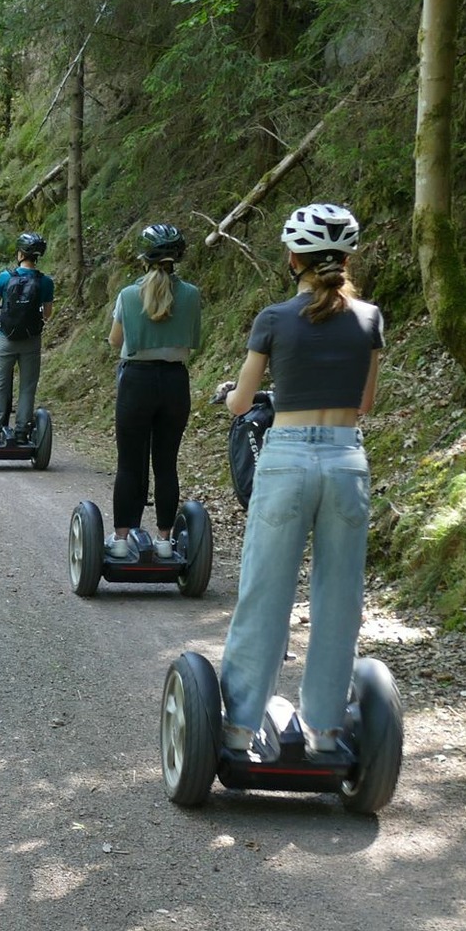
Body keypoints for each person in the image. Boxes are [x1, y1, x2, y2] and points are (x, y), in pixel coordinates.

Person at [217, 203, 384, 756]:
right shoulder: (369, 319)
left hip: (287, 460)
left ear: (294, 258)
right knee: (339, 599)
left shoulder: (273, 319)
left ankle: (239, 728)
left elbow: (243, 402)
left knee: (265, 591)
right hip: (345, 463)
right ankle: (326, 730)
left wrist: (235, 398)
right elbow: (364, 403)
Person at [106, 224, 203, 559]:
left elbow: (116, 341)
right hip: (175, 383)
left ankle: (120, 540)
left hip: (136, 381)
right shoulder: (191, 294)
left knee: (129, 464)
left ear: (143, 258)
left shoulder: (128, 295)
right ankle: (164, 540)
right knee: (166, 464)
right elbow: (194, 340)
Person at [0, 232, 55, 442]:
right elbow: (47, 314)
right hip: (31, 340)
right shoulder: (46, 282)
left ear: (21, 254)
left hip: (7, 338)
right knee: (27, 386)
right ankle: (22, 431)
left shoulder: (5, 277)